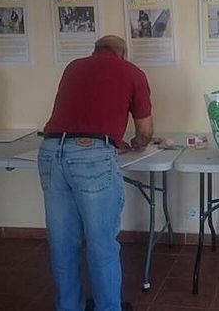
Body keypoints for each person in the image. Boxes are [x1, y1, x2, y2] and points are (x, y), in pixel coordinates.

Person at [40, 35, 153, 311]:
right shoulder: (132, 72)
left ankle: (69, 307)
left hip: (51, 151)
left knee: (62, 243)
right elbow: (145, 131)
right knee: (101, 245)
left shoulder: (73, 67)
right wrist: (137, 144)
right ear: (122, 53)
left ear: (95, 51)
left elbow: (81, 113)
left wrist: (110, 141)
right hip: (91, 157)